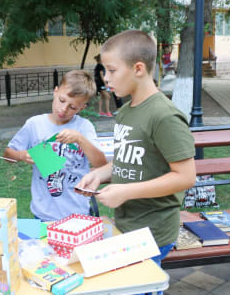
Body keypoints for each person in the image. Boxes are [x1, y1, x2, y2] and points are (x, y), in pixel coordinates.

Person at [75, 30, 196, 268]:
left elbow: (185, 177)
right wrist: (98, 175)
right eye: (104, 71)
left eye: (112, 70)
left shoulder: (164, 115)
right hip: (127, 226)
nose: (105, 78)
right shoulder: (126, 112)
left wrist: (125, 192)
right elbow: (126, 161)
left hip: (152, 231)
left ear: (138, 69)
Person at [3, 70, 107, 221]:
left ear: (82, 108)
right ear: (55, 91)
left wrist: (80, 139)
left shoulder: (84, 127)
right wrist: (21, 155)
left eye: (73, 107)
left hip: (78, 213)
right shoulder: (35, 124)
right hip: (43, 214)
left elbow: (101, 164)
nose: (63, 109)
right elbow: (8, 154)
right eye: (62, 100)